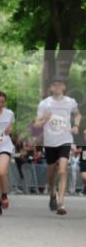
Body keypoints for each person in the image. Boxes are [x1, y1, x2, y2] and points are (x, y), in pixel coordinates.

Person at [33, 78, 81, 216]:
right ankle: (52, 193)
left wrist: (76, 126)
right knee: (51, 173)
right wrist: (44, 120)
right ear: (51, 88)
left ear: (64, 87)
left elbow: (77, 114)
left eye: (60, 84)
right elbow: (36, 124)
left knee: (63, 169)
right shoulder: (45, 103)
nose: (58, 86)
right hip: (50, 142)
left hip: (65, 140)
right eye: (55, 84)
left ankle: (61, 203)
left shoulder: (70, 102)